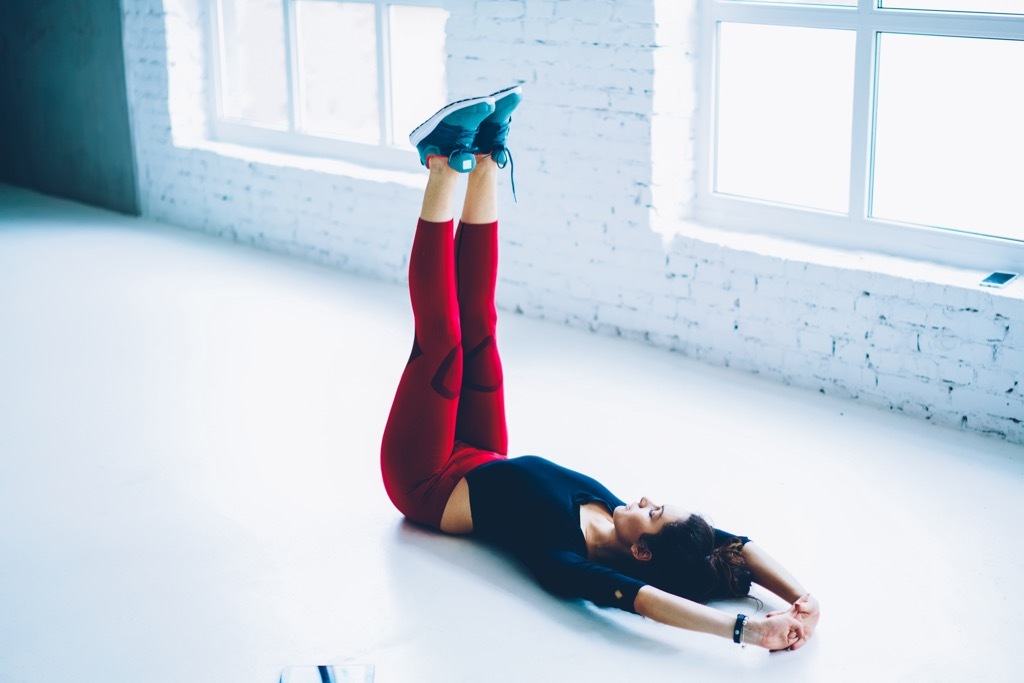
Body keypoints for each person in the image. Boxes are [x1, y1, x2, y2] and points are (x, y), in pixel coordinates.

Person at [380, 86, 820, 651]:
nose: (643, 499)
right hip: (483, 452)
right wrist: (803, 596)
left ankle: (443, 162)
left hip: (426, 479)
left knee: (443, 342)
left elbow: (645, 602)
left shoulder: (565, 560)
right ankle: (486, 158)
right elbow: (735, 547)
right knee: (483, 331)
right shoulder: (618, 517)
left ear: (641, 552)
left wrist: (747, 630)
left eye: (653, 512)